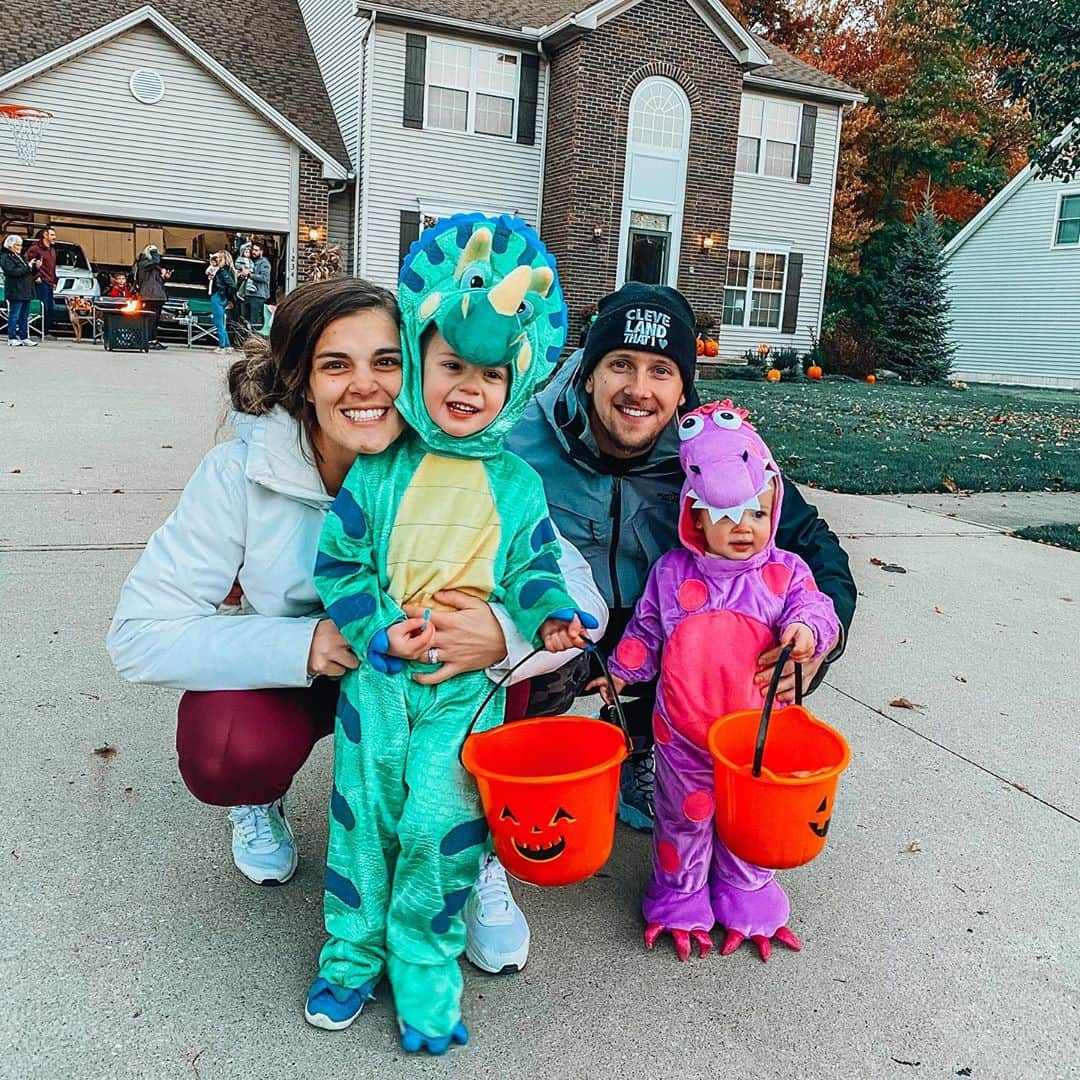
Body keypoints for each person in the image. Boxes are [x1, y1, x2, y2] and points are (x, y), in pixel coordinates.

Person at [105, 277, 605, 969]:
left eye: (386, 361)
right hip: (313, 672)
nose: (366, 386)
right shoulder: (238, 477)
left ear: (419, 365)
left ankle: (473, 846)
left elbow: (574, 586)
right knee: (227, 746)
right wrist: (306, 643)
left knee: (514, 677)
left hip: (432, 675)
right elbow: (137, 635)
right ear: (303, 382)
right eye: (336, 364)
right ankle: (260, 800)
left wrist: (501, 632)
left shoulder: (470, 463)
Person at [305, 213, 595, 1054]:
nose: (469, 385)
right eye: (452, 365)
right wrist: (374, 630)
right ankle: (350, 957)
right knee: (362, 828)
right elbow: (340, 565)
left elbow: (535, 566)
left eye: (491, 374)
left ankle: (426, 969)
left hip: (466, 698)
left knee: (440, 830)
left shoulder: (517, 485)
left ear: (518, 380)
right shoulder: (378, 470)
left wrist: (544, 615)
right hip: (377, 688)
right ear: (420, 363)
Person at [505, 282, 857, 832]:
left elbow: (810, 542)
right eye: (620, 363)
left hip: (662, 625)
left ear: (683, 389)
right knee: (509, 635)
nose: (638, 389)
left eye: (661, 371)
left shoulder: (714, 454)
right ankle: (507, 756)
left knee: (730, 619)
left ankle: (646, 747)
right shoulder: (519, 441)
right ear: (588, 371)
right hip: (562, 623)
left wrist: (817, 650)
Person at [592, 400, 840, 962]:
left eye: (756, 512)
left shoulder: (784, 573)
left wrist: (806, 631)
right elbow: (646, 633)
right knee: (683, 819)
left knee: (747, 822)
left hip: (753, 738)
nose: (743, 528)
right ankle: (679, 892)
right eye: (725, 516)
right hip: (682, 738)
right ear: (694, 515)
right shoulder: (673, 574)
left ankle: (744, 888)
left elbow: (816, 606)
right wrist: (617, 674)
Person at [1, 234, 38, 347]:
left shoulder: (20, 256)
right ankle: (11, 337)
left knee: (24, 315)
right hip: (15, 290)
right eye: (18, 245)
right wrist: (27, 266)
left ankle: (24, 336)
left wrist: (34, 267)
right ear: (11, 245)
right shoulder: (5, 257)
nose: (20, 247)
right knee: (14, 314)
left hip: (26, 290)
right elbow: (13, 272)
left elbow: (27, 272)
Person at [134, 244, 169, 350]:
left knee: (155, 320)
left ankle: (153, 339)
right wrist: (154, 251)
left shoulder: (155, 266)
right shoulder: (143, 262)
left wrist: (165, 276)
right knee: (149, 319)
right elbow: (155, 261)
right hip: (149, 296)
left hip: (158, 296)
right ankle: (147, 339)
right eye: (152, 249)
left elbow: (158, 280)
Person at [25, 225, 57, 338]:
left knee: (50, 307)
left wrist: (54, 281)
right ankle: (38, 331)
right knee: (41, 306)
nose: (55, 237)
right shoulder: (35, 248)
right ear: (45, 235)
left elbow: (52, 267)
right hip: (40, 281)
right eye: (52, 235)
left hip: (49, 282)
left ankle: (46, 331)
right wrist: (36, 276)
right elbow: (28, 263)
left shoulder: (52, 250)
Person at [206, 250, 237, 353]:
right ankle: (227, 345)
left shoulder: (222, 271)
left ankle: (222, 346)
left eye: (218, 257)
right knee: (221, 322)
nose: (216, 259)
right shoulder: (225, 271)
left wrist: (223, 293)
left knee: (218, 322)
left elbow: (232, 285)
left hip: (218, 296)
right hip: (222, 296)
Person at [244, 242, 272, 329]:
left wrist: (249, 275)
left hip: (258, 295)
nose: (253, 252)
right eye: (253, 250)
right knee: (245, 321)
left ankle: (254, 340)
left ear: (261, 252)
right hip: (248, 294)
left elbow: (264, 278)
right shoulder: (249, 261)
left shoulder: (264, 263)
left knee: (255, 322)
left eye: (256, 250)